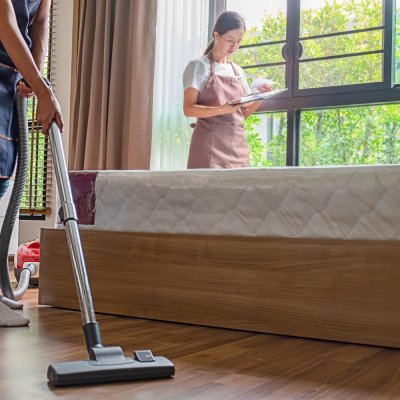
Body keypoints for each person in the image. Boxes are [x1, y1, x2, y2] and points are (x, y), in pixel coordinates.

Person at [0, 0, 64, 326]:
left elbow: (40, 23)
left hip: (9, 77)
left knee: (1, 175)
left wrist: (33, 74)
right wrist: (42, 89)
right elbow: (4, 22)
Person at [183, 11, 272, 169]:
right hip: (208, 145)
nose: (234, 46)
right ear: (216, 35)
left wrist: (260, 97)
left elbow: (242, 114)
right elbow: (188, 109)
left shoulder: (238, 71)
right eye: (230, 40)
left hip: (237, 148)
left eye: (239, 41)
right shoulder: (198, 66)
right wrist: (221, 109)